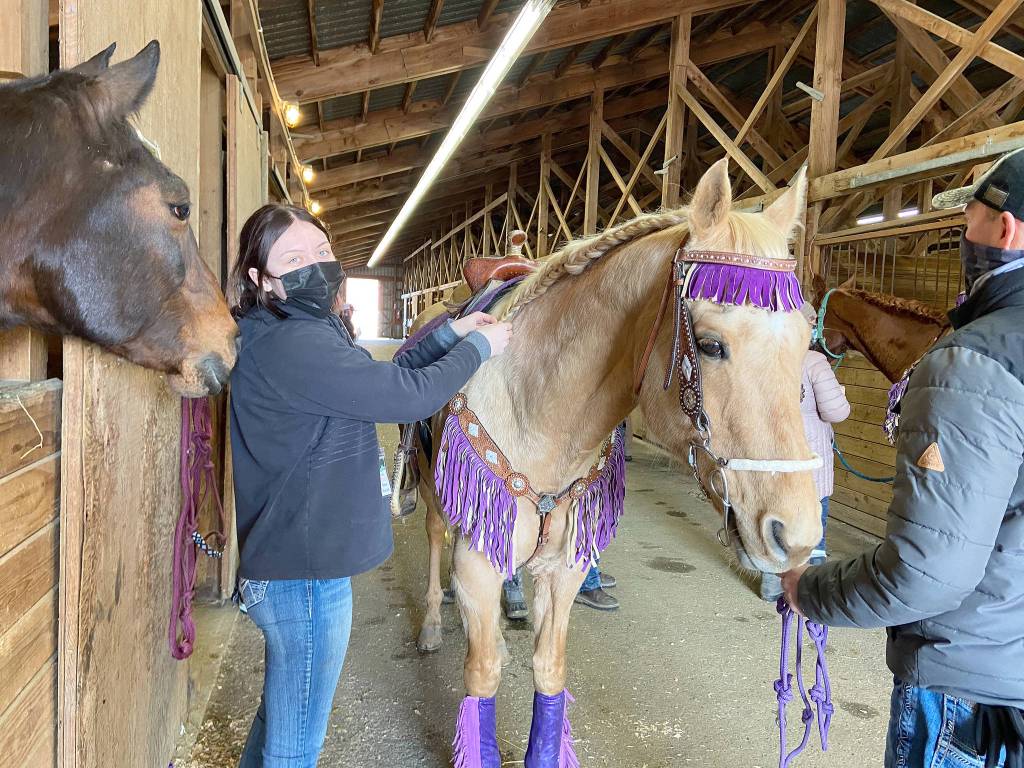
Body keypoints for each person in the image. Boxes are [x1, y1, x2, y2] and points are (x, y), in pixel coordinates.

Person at [228, 203, 512, 768]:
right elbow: (407, 396)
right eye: (294, 259)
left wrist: (453, 332)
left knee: (280, 715)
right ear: (262, 279)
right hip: (303, 579)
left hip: (289, 569)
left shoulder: (294, 330)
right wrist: (481, 348)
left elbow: (382, 374)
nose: (317, 265)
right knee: (296, 747)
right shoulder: (293, 345)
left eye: (323, 252)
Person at [782, 148, 1024, 768]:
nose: (961, 233)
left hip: (971, 689)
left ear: (1006, 228)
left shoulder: (973, 363)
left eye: (967, 217)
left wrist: (812, 590)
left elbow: (928, 570)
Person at [761, 304, 850, 601]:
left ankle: (772, 585)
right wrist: (840, 393)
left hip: (772, 456)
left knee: (774, 520)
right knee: (814, 525)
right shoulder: (814, 361)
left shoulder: (764, 357)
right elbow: (836, 412)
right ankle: (809, 590)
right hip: (808, 457)